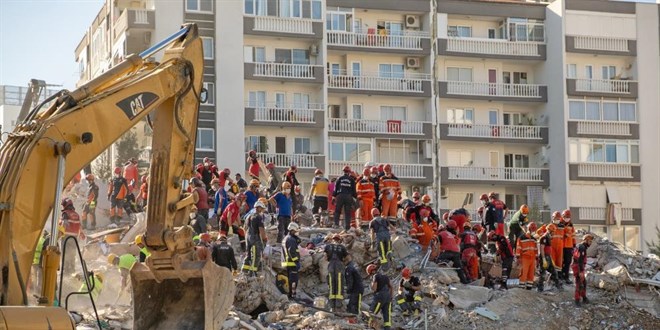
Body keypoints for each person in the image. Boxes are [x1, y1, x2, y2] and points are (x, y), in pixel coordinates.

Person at [242, 201, 268, 275]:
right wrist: (264, 238)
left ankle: (244, 270)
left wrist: (247, 237)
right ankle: (253, 273)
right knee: (256, 256)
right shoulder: (258, 217)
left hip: (248, 237)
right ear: (258, 208)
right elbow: (261, 230)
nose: (262, 210)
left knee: (248, 255)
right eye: (262, 209)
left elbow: (244, 228)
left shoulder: (248, 216)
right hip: (255, 239)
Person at [59, 197, 84, 272]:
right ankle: (72, 269)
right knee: (72, 253)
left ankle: (66, 270)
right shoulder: (76, 214)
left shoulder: (65, 213)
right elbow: (79, 225)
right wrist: (82, 234)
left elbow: (64, 223)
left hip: (66, 236)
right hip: (74, 237)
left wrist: (60, 234)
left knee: (65, 253)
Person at [324, 234, 348, 311]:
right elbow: (347, 258)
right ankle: (338, 305)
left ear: (332, 239)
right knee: (339, 284)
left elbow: (325, 257)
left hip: (331, 265)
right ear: (340, 240)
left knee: (331, 283)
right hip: (339, 265)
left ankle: (332, 306)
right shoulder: (342, 247)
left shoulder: (328, 246)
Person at [538, 224, 563, 292]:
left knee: (554, 272)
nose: (554, 233)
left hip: (548, 256)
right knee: (542, 273)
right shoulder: (544, 238)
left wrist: (550, 257)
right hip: (544, 257)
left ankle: (557, 286)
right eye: (553, 231)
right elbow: (542, 248)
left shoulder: (549, 237)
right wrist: (543, 259)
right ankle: (540, 289)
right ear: (549, 230)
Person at [367, 264, 392, 330]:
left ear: (372, 272)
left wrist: (372, 283)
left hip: (380, 296)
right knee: (387, 315)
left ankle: (369, 327)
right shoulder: (385, 276)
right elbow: (391, 287)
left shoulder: (375, 276)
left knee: (372, 312)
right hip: (388, 297)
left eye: (370, 274)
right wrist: (390, 297)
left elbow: (374, 288)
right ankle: (387, 328)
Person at [333, 165, 357, 230]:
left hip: (340, 196)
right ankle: (347, 227)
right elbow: (354, 191)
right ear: (349, 172)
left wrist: (333, 196)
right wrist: (355, 198)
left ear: (343, 171)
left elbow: (335, 188)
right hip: (348, 196)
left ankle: (336, 224)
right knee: (347, 212)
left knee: (337, 211)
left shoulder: (339, 178)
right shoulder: (351, 180)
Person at [281, 222, 301, 298]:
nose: (297, 233)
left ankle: (291, 294)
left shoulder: (287, 238)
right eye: (295, 231)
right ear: (292, 230)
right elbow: (292, 251)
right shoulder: (291, 239)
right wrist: (296, 261)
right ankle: (293, 295)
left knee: (291, 279)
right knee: (294, 280)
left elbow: (299, 241)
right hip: (292, 263)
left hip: (288, 263)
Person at [515, 222, 538, 290]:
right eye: (533, 230)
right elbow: (518, 248)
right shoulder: (522, 238)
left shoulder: (534, 239)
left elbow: (535, 249)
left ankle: (529, 289)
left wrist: (537, 258)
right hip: (524, 258)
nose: (534, 231)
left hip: (532, 258)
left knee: (531, 274)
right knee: (523, 274)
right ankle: (521, 289)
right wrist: (518, 257)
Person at [572, 234, 594, 306]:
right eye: (590, 241)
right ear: (586, 240)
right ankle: (577, 300)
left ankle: (583, 297)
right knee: (579, 283)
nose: (590, 243)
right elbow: (580, 260)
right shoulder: (582, 248)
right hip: (578, 267)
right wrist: (581, 271)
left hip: (577, 266)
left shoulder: (580, 246)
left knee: (583, 283)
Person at [550, 211, 566, 277]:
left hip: (560, 247)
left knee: (559, 262)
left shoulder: (562, 226)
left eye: (559, 219)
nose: (558, 220)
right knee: (553, 261)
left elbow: (566, 235)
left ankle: (559, 276)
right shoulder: (549, 226)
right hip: (552, 247)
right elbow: (540, 232)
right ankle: (552, 276)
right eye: (556, 219)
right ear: (553, 218)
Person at [562, 209, 575, 284]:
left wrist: (574, 244)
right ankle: (561, 276)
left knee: (568, 262)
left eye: (568, 217)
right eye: (566, 217)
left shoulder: (571, 225)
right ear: (563, 216)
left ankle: (566, 277)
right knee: (561, 262)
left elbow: (573, 235)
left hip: (569, 246)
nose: (567, 218)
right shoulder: (560, 224)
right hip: (562, 245)